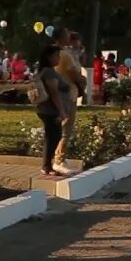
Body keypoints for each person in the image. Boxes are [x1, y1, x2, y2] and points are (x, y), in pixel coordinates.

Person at [34, 45, 73, 176]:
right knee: (54, 137)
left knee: (51, 137)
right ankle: (46, 166)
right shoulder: (49, 72)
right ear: (49, 57)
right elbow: (54, 92)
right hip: (50, 110)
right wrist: (61, 111)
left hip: (46, 109)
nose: (59, 58)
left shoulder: (44, 71)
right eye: (57, 55)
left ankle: (47, 165)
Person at [53, 29, 87, 170]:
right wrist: (82, 80)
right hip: (67, 94)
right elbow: (75, 74)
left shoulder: (52, 53)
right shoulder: (66, 55)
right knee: (66, 128)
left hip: (56, 93)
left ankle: (58, 158)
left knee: (58, 128)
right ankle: (59, 161)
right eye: (67, 36)